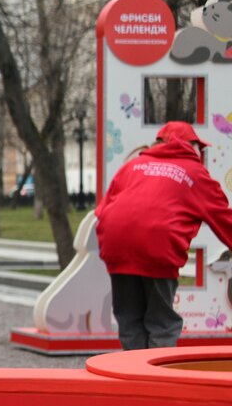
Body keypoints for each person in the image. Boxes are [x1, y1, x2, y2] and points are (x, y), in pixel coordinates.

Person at [96, 121, 232, 350]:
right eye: (199, 146)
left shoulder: (133, 165)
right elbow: (223, 217)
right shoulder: (194, 172)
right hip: (157, 246)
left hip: (116, 243)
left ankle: (133, 378)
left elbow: (103, 209)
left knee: (129, 317)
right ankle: (155, 380)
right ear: (189, 145)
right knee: (161, 322)